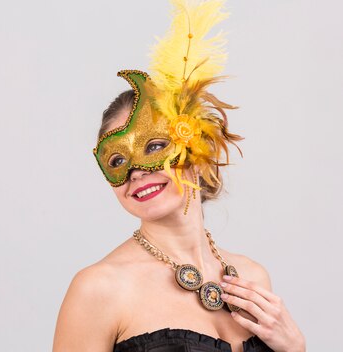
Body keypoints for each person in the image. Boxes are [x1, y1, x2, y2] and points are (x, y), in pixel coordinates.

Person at [52, 1, 306, 351]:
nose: (136, 171)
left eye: (154, 146)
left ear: (197, 146)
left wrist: (294, 348)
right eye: (117, 161)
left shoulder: (251, 278)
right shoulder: (99, 289)